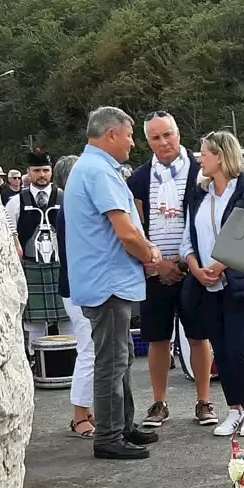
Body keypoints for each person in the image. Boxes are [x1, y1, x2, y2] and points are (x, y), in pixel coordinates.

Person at [63, 107, 161, 461]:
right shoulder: (99, 172)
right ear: (111, 135)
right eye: (130, 135)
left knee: (118, 358)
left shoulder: (90, 168)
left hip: (106, 279)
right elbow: (125, 232)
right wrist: (150, 255)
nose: (134, 143)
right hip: (108, 282)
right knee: (112, 360)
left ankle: (122, 424)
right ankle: (108, 435)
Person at [128, 111, 217, 430]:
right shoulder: (138, 179)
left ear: (179, 134)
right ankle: (159, 402)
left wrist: (183, 262)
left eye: (168, 134)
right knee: (157, 339)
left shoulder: (200, 171)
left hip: (192, 268)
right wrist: (157, 263)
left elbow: (206, 221)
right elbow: (135, 227)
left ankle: (204, 401)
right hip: (155, 270)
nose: (163, 142)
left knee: (198, 336)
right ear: (147, 141)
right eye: (156, 137)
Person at [182, 131, 244, 437]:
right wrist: (196, 268)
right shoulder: (199, 193)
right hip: (205, 283)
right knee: (220, 348)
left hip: (238, 282)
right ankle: (235, 409)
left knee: (237, 347)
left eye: (204, 153)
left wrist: (217, 266)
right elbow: (187, 237)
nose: (199, 158)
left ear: (220, 155)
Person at [52, 154, 95, 439]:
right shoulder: (72, 208)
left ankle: (87, 411)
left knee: (90, 349)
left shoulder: (69, 207)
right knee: (89, 350)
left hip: (77, 286)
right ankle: (80, 415)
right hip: (79, 287)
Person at [13, 150, 68, 354]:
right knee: (34, 324)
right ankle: (36, 361)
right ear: (28, 172)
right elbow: (9, 232)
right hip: (31, 266)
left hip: (62, 265)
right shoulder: (17, 201)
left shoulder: (65, 197)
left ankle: (69, 359)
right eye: (37, 170)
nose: (42, 175)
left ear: (51, 171)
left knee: (67, 316)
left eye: (46, 170)